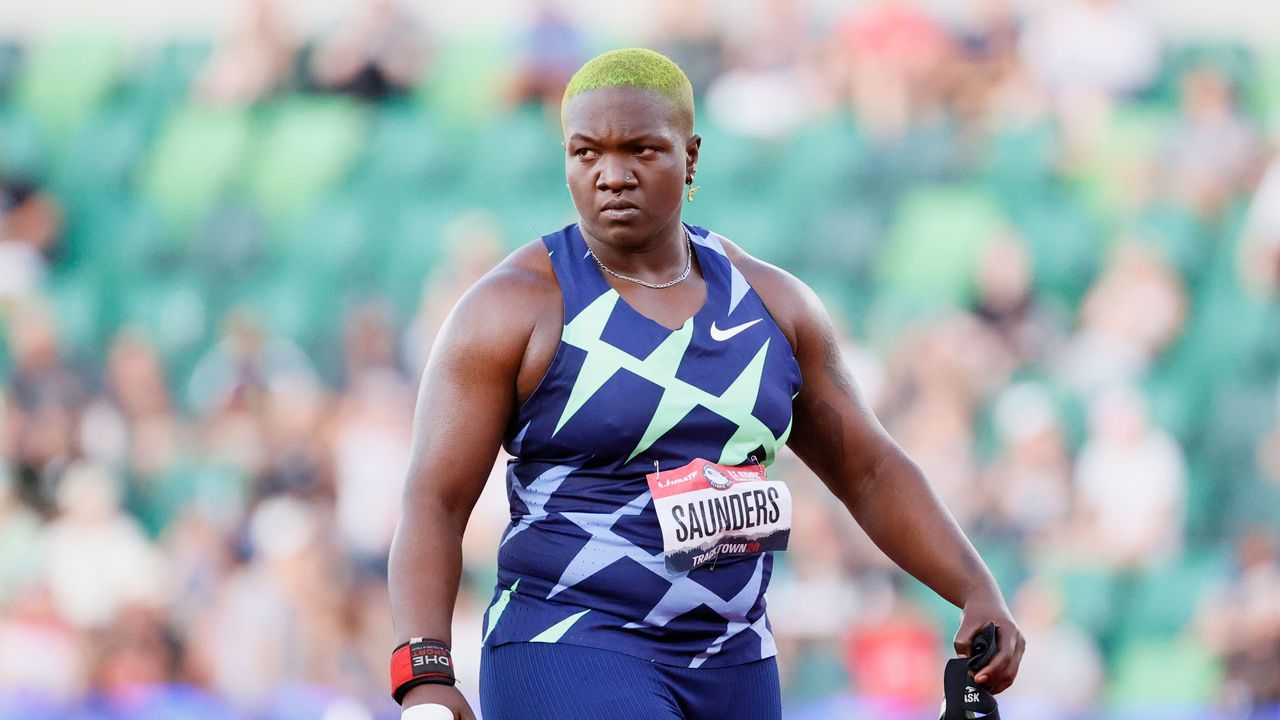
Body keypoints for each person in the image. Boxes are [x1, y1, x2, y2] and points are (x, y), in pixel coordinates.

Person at [387, 48, 1024, 720]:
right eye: (586, 153)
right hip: (568, 640)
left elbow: (868, 469)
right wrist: (423, 671)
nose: (612, 176)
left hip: (735, 659)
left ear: (690, 158)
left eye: (641, 150)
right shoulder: (512, 307)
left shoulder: (777, 306)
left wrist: (974, 587)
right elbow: (435, 497)